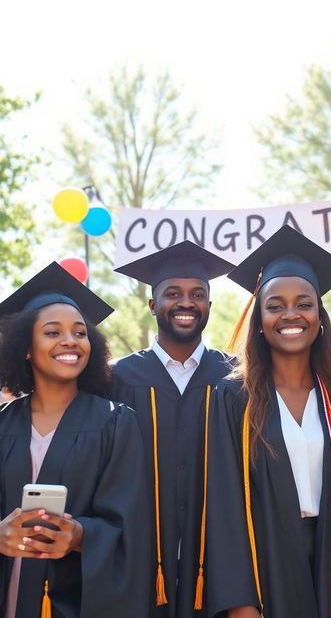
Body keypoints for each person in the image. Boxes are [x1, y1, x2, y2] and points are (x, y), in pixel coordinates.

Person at [206, 225, 331, 618]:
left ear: (320, 317)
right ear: (258, 319)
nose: (291, 314)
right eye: (275, 306)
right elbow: (224, 507)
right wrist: (241, 604)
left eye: (304, 304)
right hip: (265, 562)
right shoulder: (232, 399)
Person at [0, 262, 150, 618]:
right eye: (52, 332)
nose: (70, 340)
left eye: (80, 333)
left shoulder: (116, 421)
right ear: (26, 347)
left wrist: (80, 535)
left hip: (72, 601)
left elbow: (131, 525)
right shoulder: (3, 423)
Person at [107, 241, 234, 617]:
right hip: (140, 556)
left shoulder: (235, 378)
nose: (186, 303)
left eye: (198, 294)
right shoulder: (118, 378)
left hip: (216, 559)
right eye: (172, 293)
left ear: (209, 306)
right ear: (152, 305)